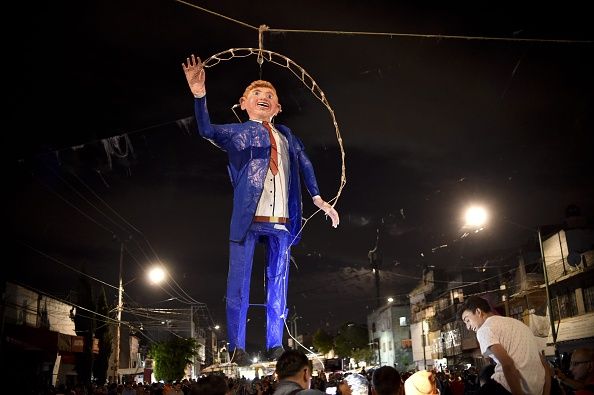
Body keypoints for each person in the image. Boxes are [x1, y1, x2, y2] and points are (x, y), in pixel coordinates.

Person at [182, 55, 339, 364]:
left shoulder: (288, 136)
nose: (264, 98)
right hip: (248, 219)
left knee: (278, 282)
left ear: (278, 107)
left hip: (281, 221)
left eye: (270, 96)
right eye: (257, 94)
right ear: (243, 103)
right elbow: (206, 130)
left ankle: (275, 342)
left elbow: (304, 164)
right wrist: (199, 95)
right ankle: (236, 345)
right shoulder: (237, 132)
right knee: (238, 284)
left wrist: (319, 199)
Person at [458, 296, 545, 394]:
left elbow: (507, 364)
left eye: (467, 320)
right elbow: (544, 366)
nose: (468, 327)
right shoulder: (519, 324)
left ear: (478, 312)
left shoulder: (484, 329)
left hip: (507, 388)